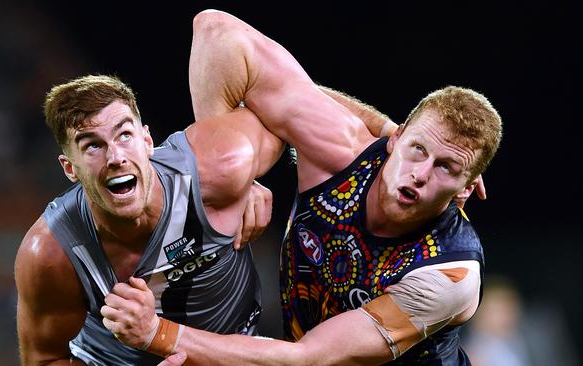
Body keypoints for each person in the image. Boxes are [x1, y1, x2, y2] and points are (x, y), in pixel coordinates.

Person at [103, 9, 502, 366]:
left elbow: (308, 358)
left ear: (465, 191)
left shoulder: (449, 274)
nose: (421, 173)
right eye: (418, 149)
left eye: (446, 168)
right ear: (395, 139)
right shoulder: (341, 151)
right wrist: (234, 186)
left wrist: (158, 334)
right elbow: (217, 32)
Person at [14, 74, 287, 365]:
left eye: (124, 135)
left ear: (146, 140)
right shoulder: (51, 253)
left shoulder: (220, 168)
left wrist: (245, 180)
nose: (115, 157)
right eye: (92, 145)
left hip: (241, 350)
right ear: (70, 168)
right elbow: (44, 359)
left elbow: (288, 108)